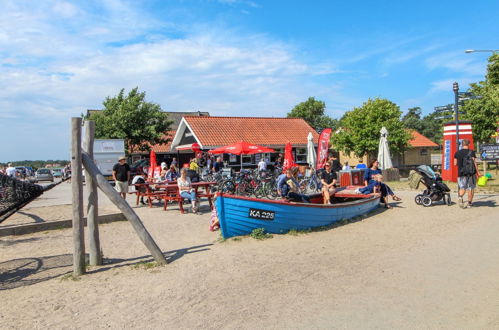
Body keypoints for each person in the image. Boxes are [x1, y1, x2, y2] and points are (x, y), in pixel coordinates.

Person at [454, 139, 480, 208]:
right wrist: (478, 172)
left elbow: (455, 163)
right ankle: (469, 203)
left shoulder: (457, 153)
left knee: (462, 187)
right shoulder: (471, 152)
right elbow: (475, 163)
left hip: (461, 173)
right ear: (469, 144)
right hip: (471, 174)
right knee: (470, 188)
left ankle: (460, 197)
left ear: (462, 144)